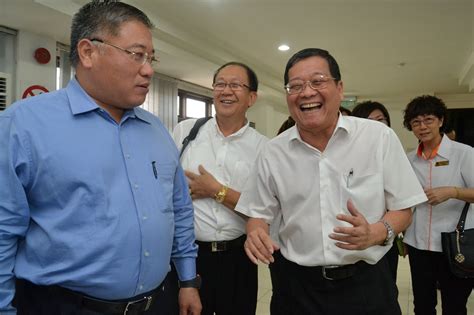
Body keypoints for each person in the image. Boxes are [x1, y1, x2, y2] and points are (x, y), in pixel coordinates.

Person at [0, 1, 201, 314]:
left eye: (151, 58)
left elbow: (179, 209)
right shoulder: (23, 125)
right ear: (88, 52)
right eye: (137, 55)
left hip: (158, 302)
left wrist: (188, 280)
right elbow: (2, 231)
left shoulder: (158, 131)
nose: (148, 69)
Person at [235, 48, 427, 315]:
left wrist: (376, 232)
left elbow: (405, 207)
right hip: (296, 287)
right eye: (296, 86)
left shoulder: (377, 138)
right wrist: (256, 231)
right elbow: (258, 213)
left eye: (318, 81)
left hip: (366, 284)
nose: (307, 92)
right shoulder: (273, 151)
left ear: (339, 87)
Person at [172, 62, 268, 315]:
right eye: (220, 84)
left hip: (238, 258)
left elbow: (264, 210)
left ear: (252, 97)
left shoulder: (265, 149)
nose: (226, 91)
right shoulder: (186, 133)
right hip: (190, 256)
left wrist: (216, 190)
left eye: (235, 85)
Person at [402, 95, 474, 315]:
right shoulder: (409, 158)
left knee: (454, 306)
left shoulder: (464, 154)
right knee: (422, 305)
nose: (422, 127)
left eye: (428, 119)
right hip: (418, 244)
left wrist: (453, 192)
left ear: (441, 121)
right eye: (416, 122)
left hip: (454, 244)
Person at [352, 100, 400, 281]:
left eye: (381, 120)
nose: (375, 126)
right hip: (350, 242)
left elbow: (403, 206)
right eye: (368, 120)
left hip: (382, 238)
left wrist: (380, 231)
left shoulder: (391, 152)